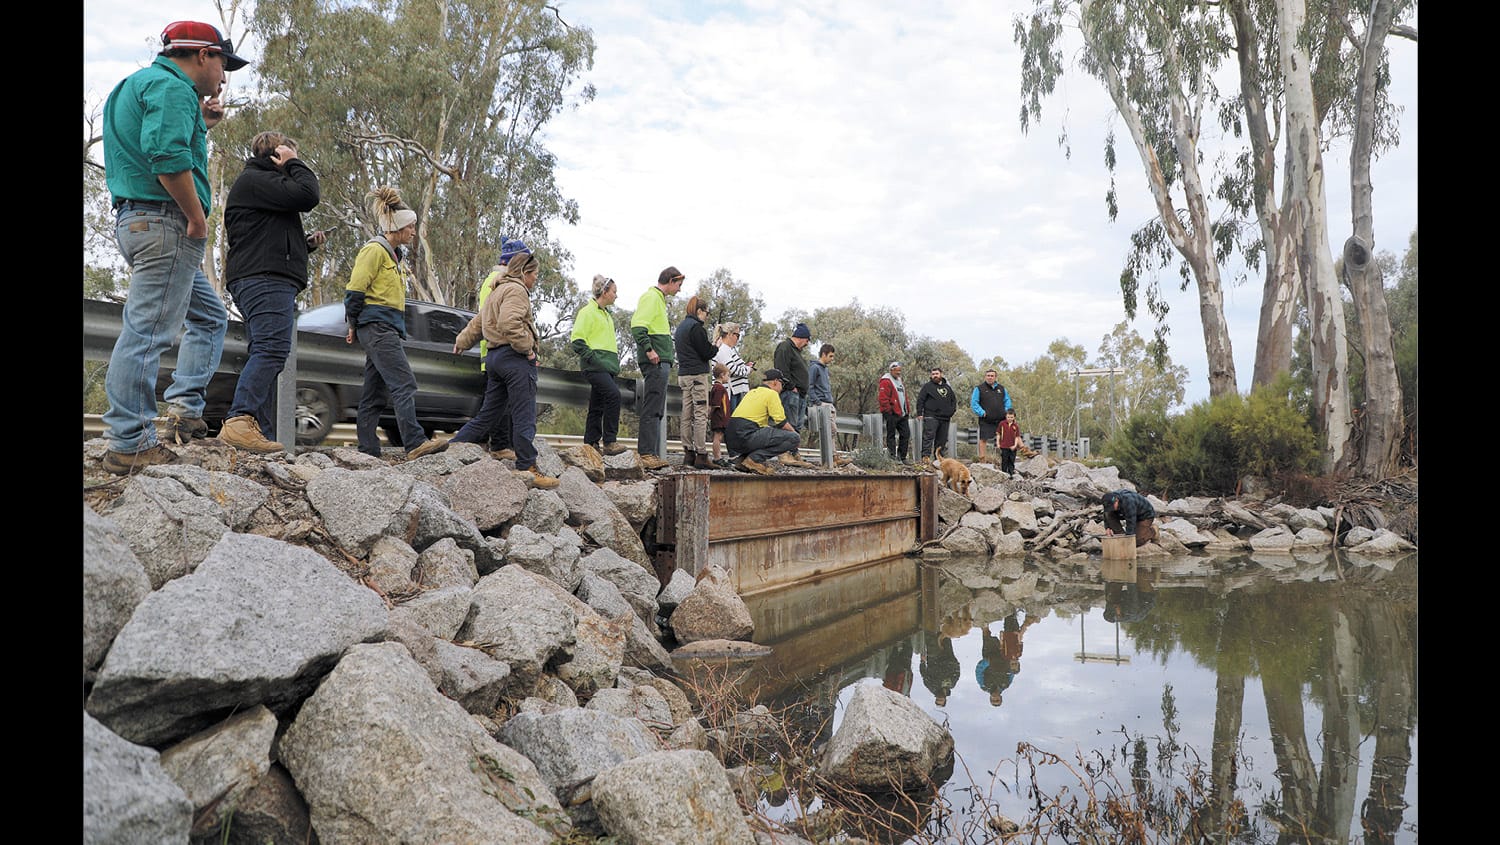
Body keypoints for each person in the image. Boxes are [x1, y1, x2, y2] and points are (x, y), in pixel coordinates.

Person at [99, 21, 247, 474]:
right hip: (167, 224)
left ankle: (184, 409)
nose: (224, 77)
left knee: (209, 316)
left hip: (138, 221)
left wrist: (201, 126)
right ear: (203, 55)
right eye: (224, 64)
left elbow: (156, 146)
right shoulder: (173, 87)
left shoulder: (133, 86)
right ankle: (130, 441)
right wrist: (197, 219)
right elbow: (166, 157)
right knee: (146, 332)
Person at [215, 131, 324, 454]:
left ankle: (257, 433)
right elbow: (308, 195)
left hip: (264, 276)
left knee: (268, 352)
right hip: (263, 279)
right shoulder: (255, 180)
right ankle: (240, 419)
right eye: (287, 155)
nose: (290, 163)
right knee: (273, 349)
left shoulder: (261, 188)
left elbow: (263, 238)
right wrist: (295, 163)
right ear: (276, 154)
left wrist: (305, 247)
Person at [344, 186, 448, 461]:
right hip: (376, 327)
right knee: (404, 383)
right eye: (411, 226)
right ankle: (414, 442)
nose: (414, 232)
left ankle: (367, 450)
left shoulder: (395, 256)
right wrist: (353, 324)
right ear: (398, 227)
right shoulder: (374, 251)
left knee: (374, 392)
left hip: (386, 328)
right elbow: (355, 291)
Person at [448, 252, 560, 489]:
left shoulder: (496, 290)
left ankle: (451, 449)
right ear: (524, 273)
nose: (535, 280)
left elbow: (478, 323)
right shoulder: (517, 290)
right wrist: (528, 349)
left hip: (494, 359)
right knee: (524, 414)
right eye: (535, 275)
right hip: (514, 359)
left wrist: (462, 341)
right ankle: (527, 466)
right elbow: (509, 323)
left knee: (488, 415)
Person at [478, 239, 531, 457]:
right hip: (501, 348)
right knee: (500, 404)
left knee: (495, 403)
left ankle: (493, 444)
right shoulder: (500, 283)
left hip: (493, 350)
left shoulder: (494, 281)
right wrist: (525, 346)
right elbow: (503, 321)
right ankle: (500, 445)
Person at [631, 267, 684, 469]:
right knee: (652, 407)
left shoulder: (659, 300)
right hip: (655, 362)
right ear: (671, 280)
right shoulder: (651, 297)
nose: (679, 290)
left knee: (656, 407)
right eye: (678, 285)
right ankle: (646, 454)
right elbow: (637, 326)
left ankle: (651, 453)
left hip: (661, 362)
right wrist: (649, 350)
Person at [570, 275, 627, 457]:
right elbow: (577, 341)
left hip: (607, 368)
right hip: (594, 367)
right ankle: (610, 442)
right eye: (614, 292)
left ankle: (590, 443)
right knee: (613, 396)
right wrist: (593, 359)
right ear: (604, 292)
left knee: (597, 404)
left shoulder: (608, 315)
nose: (616, 295)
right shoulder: (587, 312)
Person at [726, 368, 802, 475]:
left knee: (765, 432)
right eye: (782, 384)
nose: (782, 388)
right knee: (794, 438)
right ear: (776, 382)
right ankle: (754, 459)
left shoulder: (751, 392)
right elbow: (781, 423)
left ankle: (742, 460)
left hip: (732, 438)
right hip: (746, 435)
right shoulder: (771, 394)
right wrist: (795, 435)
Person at [673, 295, 717, 469]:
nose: (706, 316)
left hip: (683, 375)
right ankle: (701, 454)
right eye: (706, 312)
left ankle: (688, 453)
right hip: (697, 376)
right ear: (699, 311)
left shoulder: (681, 327)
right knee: (700, 414)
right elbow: (706, 352)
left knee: (686, 414)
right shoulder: (696, 328)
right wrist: (716, 345)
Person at [773, 322, 812, 432]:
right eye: (807, 340)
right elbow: (781, 369)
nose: (807, 344)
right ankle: (787, 449)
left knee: (797, 427)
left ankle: (793, 448)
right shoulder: (785, 347)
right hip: (791, 394)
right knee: (790, 426)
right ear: (802, 337)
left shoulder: (796, 351)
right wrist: (791, 387)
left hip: (800, 395)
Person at [970, 369, 1012, 462]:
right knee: (983, 439)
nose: (990, 377)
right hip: (986, 420)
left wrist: (1006, 411)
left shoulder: (1002, 389)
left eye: (992, 376)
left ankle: (1004, 460)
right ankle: (982, 461)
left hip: (1001, 419)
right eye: (988, 375)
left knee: (1004, 439)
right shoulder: (979, 388)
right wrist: (982, 413)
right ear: (985, 377)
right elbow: (974, 403)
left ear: (995, 377)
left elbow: (1007, 400)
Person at [916, 366, 957, 463]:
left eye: (936, 374)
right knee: (928, 437)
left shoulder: (947, 387)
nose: (935, 376)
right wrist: (919, 413)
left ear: (941, 374)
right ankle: (925, 458)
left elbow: (953, 401)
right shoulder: (927, 387)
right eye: (933, 374)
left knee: (942, 440)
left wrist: (951, 412)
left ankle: (939, 459)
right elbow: (920, 400)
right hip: (931, 416)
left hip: (945, 418)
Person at [712, 322, 754, 412]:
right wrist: (747, 369)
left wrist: (744, 366)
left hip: (733, 390)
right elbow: (732, 369)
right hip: (728, 391)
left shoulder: (728, 349)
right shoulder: (723, 349)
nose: (738, 339)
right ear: (730, 334)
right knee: (730, 421)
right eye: (737, 335)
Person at [805, 343, 836, 460]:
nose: (832, 359)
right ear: (824, 354)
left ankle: (834, 456)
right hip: (822, 404)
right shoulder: (815, 368)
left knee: (832, 431)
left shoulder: (825, 369)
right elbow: (810, 385)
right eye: (831, 356)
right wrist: (817, 402)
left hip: (828, 403)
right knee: (830, 430)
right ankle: (831, 457)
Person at [919, 628, 961, 708]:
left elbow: (923, 674)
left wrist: (922, 661)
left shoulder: (931, 687)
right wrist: (954, 662)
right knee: (946, 634)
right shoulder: (951, 685)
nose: (939, 698)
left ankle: (928, 622)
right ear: (945, 700)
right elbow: (957, 672)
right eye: (941, 700)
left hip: (933, 658)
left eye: (937, 700)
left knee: (931, 635)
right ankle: (944, 620)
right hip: (948, 656)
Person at [877, 361, 911, 462]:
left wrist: (907, 410)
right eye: (897, 371)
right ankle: (892, 457)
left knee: (905, 434)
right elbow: (883, 398)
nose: (899, 373)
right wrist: (888, 410)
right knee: (891, 435)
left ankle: (902, 457)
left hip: (902, 413)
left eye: (900, 371)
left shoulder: (900, 381)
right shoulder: (886, 381)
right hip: (891, 413)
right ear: (891, 370)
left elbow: (904, 397)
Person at [709, 363, 732, 465]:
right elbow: (716, 404)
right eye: (727, 375)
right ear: (722, 375)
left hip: (720, 417)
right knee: (717, 437)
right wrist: (710, 414)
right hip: (720, 417)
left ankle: (718, 456)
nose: (728, 377)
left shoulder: (716, 387)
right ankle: (717, 457)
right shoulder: (719, 388)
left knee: (719, 437)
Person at [996, 408, 1022, 475]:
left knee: (1011, 460)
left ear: (1014, 417)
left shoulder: (1015, 426)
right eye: (1008, 417)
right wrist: (998, 443)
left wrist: (1015, 445)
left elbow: (1017, 437)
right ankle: (1004, 473)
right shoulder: (1002, 424)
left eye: (1011, 417)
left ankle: (1011, 474)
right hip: (1004, 446)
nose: (1009, 418)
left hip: (1013, 447)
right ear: (1006, 416)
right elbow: (998, 434)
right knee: (1004, 460)